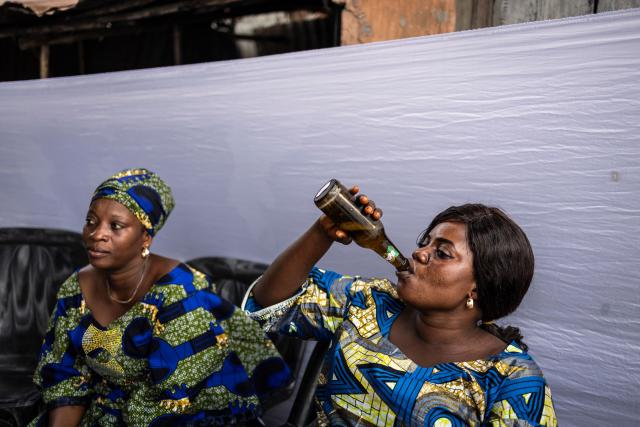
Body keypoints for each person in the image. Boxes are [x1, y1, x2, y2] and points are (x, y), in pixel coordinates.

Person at [245, 186, 557, 426]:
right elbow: (269, 302)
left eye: (443, 253)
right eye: (426, 242)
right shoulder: (367, 301)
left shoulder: (511, 378)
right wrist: (322, 233)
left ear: (478, 285)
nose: (420, 253)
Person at [31, 168, 291, 427]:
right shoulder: (76, 290)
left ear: (146, 236)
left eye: (116, 225)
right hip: (104, 413)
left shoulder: (182, 295)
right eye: (91, 221)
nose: (97, 234)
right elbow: (65, 377)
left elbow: (174, 404)